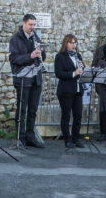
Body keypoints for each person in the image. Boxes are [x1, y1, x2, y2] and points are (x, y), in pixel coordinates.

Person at [9, 13, 47, 148]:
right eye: (30, 24)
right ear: (24, 23)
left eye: (34, 25)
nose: (32, 27)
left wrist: (41, 52)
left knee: (33, 110)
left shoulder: (35, 37)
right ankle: (21, 137)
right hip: (23, 79)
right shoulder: (15, 39)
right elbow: (14, 59)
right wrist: (30, 56)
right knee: (22, 110)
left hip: (36, 78)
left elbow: (43, 57)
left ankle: (31, 136)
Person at [53, 34, 86, 148]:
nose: (74, 45)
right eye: (71, 43)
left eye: (75, 43)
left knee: (78, 115)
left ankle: (76, 138)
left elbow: (82, 71)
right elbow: (59, 73)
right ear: (66, 44)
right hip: (66, 90)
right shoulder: (60, 56)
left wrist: (83, 67)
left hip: (78, 90)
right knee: (66, 115)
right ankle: (67, 140)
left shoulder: (78, 56)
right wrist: (73, 73)